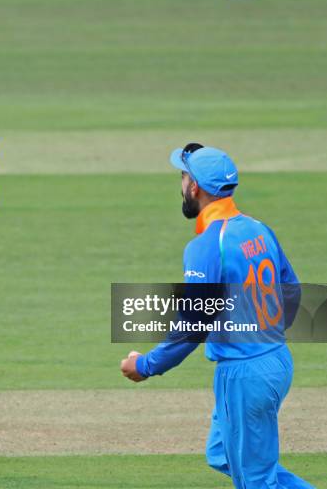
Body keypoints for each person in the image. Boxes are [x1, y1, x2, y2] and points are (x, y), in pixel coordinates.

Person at [120, 144, 315, 488]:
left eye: (183, 176)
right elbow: (293, 292)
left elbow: (194, 324)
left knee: (255, 481)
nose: (181, 184)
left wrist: (147, 365)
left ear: (194, 187)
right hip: (276, 361)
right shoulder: (258, 228)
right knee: (222, 454)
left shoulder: (206, 246)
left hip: (245, 373)